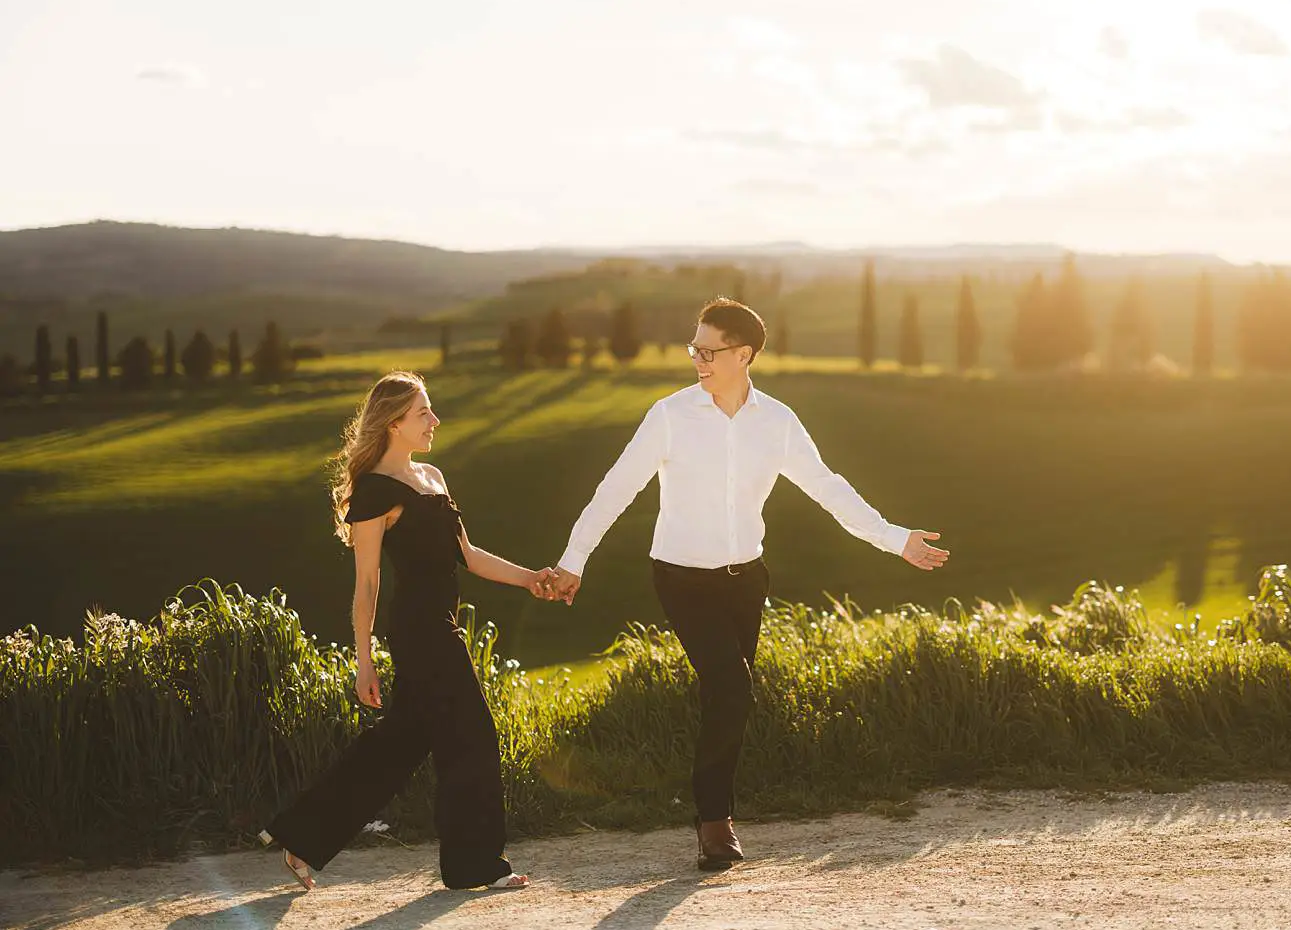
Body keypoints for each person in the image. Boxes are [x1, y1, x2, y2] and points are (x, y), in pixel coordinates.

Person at [544, 298, 949, 870]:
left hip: (745, 582)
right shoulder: (669, 415)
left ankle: (716, 811)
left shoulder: (777, 422)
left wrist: (894, 538)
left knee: (725, 698)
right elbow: (616, 489)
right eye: (695, 348)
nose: (697, 359)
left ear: (744, 355)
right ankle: (715, 823)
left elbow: (827, 487)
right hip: (682, 577)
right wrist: (573, 560)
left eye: (708, 351)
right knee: (731, 687)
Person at [259, 370, 556, 892]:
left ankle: (299, 836)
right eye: (424, 412)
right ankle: (472, 866)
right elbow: (367, 586)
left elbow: (468, 556)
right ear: (394, 422)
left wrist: (532, 579)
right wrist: (365, 661)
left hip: (442, 625)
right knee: (474, 737)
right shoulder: (375, 492)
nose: (435, 420)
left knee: (396, 746)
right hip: (419, 632)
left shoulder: (433, 477)